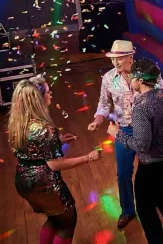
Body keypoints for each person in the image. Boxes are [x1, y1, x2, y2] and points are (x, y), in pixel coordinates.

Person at [107, 58, 163, 244]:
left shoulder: (141, 108)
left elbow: (142, 146)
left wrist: (117, 134)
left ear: (140, 80)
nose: (130, 80)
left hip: (152, 165)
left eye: (132, 77)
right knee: (160, 195)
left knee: (145, 208)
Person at [87, 40, 163, 230]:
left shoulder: (147, 72)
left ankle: (158, 203)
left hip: (148, 129)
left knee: (153, 172)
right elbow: (104, 104)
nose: (115, 62)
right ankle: (128, 210)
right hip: (123, 130)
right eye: (113, 58)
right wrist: (98, 120)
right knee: (123, 173)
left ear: (131, 57)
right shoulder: (108, 78)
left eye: (120, 58)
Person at [9, 79, 101, 244]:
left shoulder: (18, 123)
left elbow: (32, 148)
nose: (50, 94)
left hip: (23, 181)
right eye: (47, 91)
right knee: (67, 222)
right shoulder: (44, 129)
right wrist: (88, 157)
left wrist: (58, 140)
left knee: (54, 219)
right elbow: (55, 164)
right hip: (45, 184)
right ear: (38, 99)